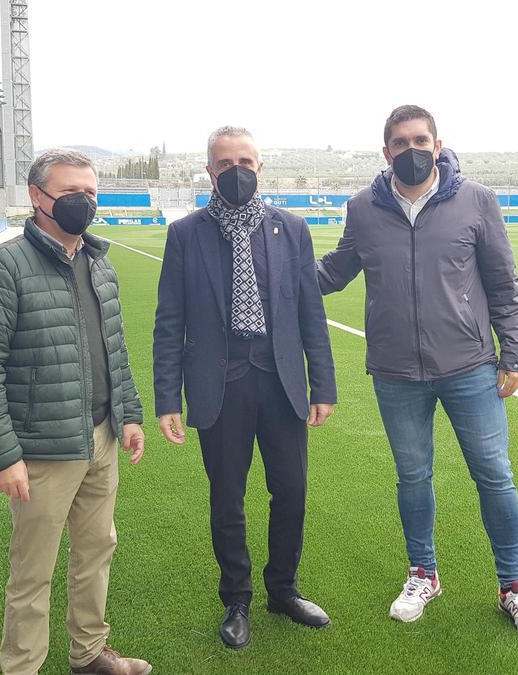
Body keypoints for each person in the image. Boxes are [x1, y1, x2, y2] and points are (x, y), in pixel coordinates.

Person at [316, 105, 518, 640]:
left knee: (494, 475)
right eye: (400, 142)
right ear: (386, 152)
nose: (412, 149)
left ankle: (513, 586)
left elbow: (503, 282)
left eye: (420, 139)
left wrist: (514, 352)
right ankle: (423, 573)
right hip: (397, 372)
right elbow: (335, 271)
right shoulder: (364, 207)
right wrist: (273, 268)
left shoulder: (477, 201)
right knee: (413, 477)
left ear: (438, 143)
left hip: (469, 366)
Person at [0, 148, 152, 674]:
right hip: (41, 451)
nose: (83, 203)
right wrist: (3, 457)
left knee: (96, 552)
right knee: (32, 573)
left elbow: (115, 349)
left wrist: (129, 414)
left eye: (90, 193)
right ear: (37, 198)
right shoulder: (3, 268)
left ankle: (89, 654)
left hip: (100, 440)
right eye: (70, 194)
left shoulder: (99, 263)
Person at [153, 126, 337, 649]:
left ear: (261, 168)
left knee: (292, 491)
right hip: (220, 384)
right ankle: (237, 599)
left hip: (282, 383)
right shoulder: (186, 234)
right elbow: (170, 322)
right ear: (210, 170)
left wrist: (321, 384)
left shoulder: (292, 229)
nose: (238, 170)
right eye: (226, 161)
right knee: (227, 497)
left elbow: (310, 315)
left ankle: (283, 588)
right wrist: (168, 397)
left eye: (247, 161)